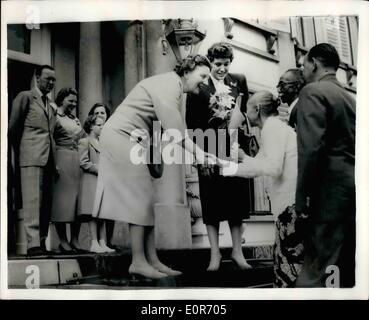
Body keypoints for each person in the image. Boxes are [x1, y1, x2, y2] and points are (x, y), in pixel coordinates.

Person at [92, 54, 213, 279]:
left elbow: (159, 127)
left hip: (134, 138)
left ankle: (152, 260)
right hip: (122, 137)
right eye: (203, 75)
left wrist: (155, 162)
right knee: (139, 197)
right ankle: (138, 262)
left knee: (146, 198)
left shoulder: (172, 87)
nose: (205, 81)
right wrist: (199, 153)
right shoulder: (169, 84)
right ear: (188, 70)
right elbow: (175, 130)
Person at [220, 90, 303, 287]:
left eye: (247, 108)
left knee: (288, 271)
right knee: (288, 268)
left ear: (256, 109)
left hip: (289, 209)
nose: (246, 114)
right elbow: (256, 166)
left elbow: (272, 168)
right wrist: (229, 167)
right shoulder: (274, 127)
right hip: (289, 207)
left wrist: (237, 160)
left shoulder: (271, 129)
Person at [186, 42, 252, 271]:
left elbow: (245, 112)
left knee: (236, 200)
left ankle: (237, 251)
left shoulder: (239, 80)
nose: (222, 69)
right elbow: (192, 123)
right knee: (211, 201)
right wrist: (199, 156)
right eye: (217, 64)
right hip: (208, 149)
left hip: (233, 149)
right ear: (210, 62)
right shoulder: (200, 85)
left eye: (226, 64)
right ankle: (215, 254)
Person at [294, 43, 356, 287]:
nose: (303, 71)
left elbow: (310, 149)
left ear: (315, 64)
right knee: (342, 271)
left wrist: (302, 199)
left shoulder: (313, 92)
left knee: (316, 271)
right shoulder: (350, 99)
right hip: (352, 192)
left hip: (327, 194)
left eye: (304, 65)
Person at [9, 65, 57, 256]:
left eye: (53, 79)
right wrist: (22, 151)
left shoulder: (50, 105)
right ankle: (32, 244)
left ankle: (42, 242)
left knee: (45, 203)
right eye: (47, 79)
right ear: (37, 78)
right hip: (31, 156)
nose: (51, 83)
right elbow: (13, 129)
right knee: (32, 201)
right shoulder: (25, 97)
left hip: (49, 159)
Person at [50, 88, 86, 254]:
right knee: (62, 202)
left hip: (76, 160)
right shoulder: (54, 114)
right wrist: (54, 162)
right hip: (61, 158)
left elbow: (82, 138)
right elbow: (50, 138)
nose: (73, 104)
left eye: (75, 101)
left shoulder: (75, 119)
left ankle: (75, 239)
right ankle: (63, 241)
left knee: (76, 202)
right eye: (70, 100)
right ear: (62, 99)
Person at [78, 115, 114, 253]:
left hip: (102, 181)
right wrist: (98, 168)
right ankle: (94, 242)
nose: (102, 127)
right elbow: (83, 162)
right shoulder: (84, 142)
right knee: (92, 213)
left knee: (102, 212)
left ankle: (103, 242)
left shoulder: (102, 142)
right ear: (91, 127)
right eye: (99, 125)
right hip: (91, 180)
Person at [87, 103, 116, 249]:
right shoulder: (89, 139)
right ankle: (98, 241)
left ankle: (106, 241)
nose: (99, 115)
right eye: (96, 113)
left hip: (111, 175)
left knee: (109, 208)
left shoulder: (111, 134)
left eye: (102, 113)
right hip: (97, 177)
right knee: (97, 208)